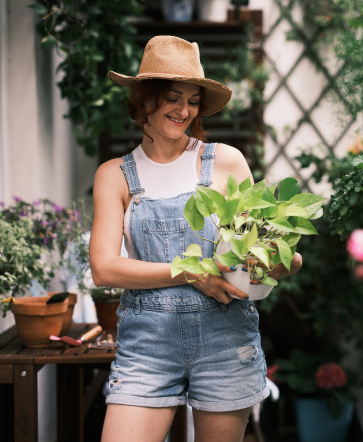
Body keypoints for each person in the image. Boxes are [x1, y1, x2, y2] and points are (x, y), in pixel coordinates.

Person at [89, 35, 302, 442]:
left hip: (225, 339)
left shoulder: (225, 161)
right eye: (172, 97)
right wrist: (192, 272)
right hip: (147, 345)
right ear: (143, 100)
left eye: (192, 100)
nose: (184, 110)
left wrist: (279, 261)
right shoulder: (114, 175)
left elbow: (260, 251)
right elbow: (104, 267)